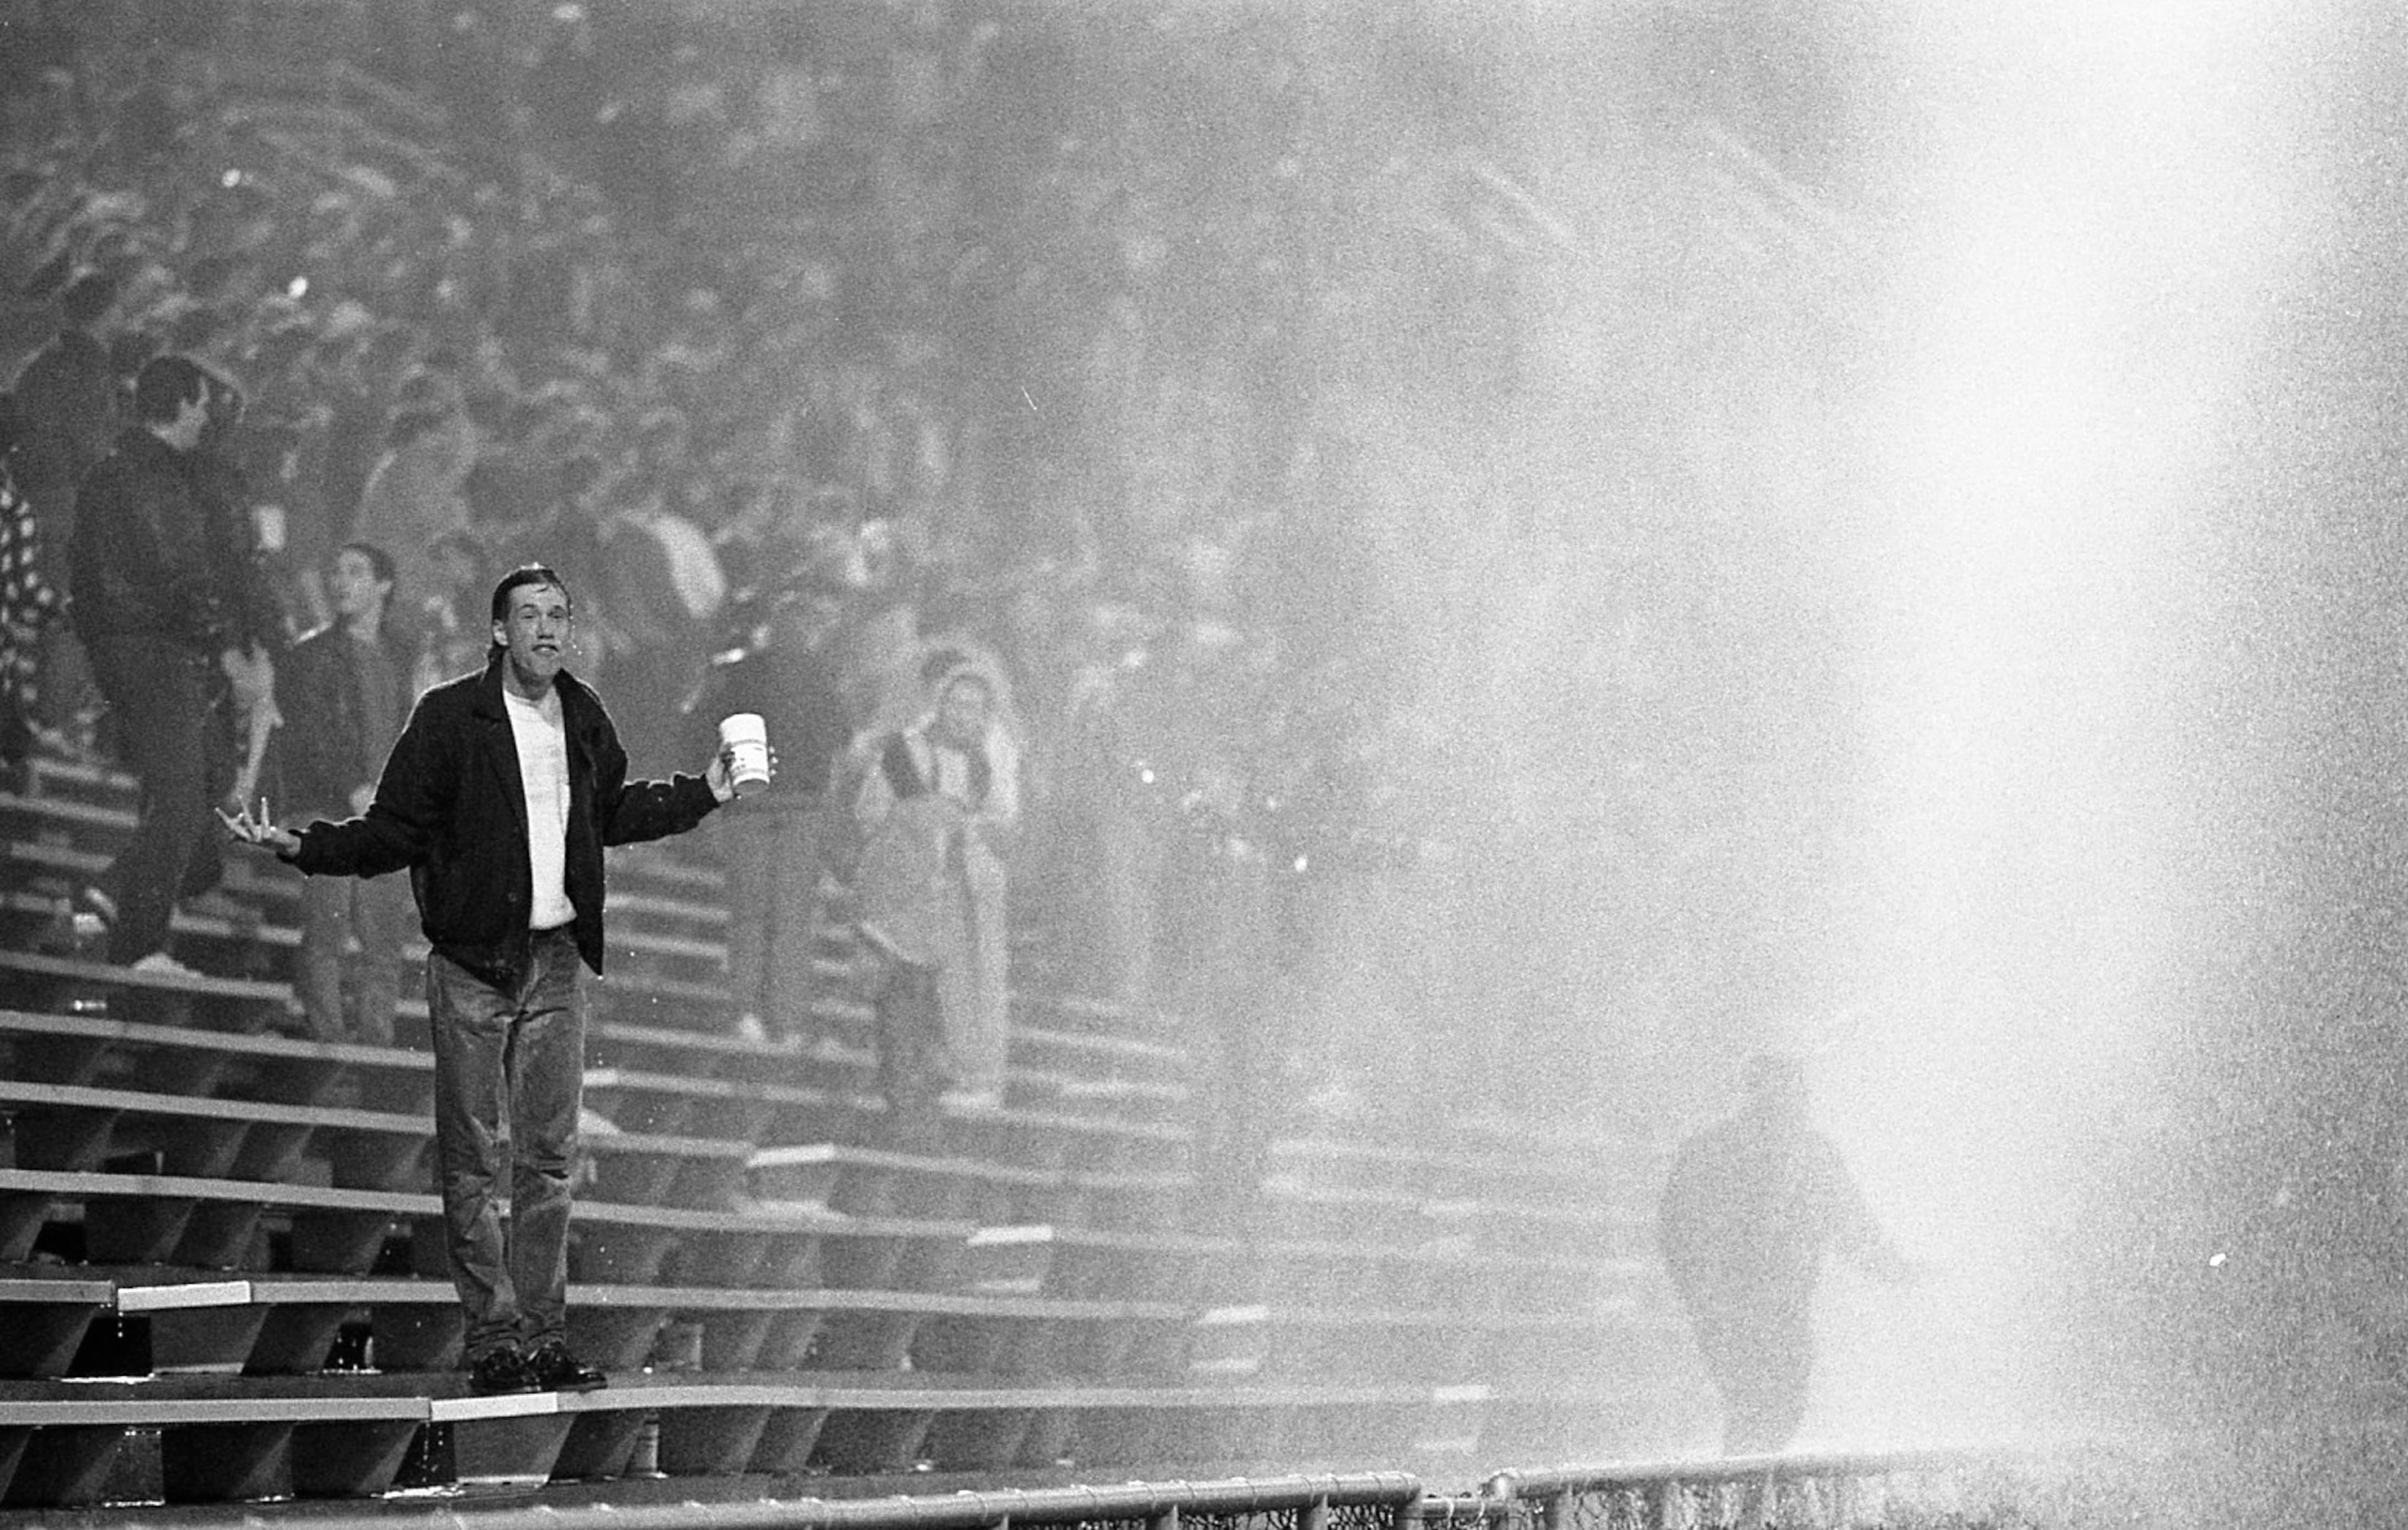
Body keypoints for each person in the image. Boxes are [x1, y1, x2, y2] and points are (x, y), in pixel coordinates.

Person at [220, 564, 749, 1396]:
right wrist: (305, 846)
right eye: (529, 615)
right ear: (498, 631)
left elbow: (610, 812)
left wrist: (704, 793)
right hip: (472, 964)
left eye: (559, 616)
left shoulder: (583, 712)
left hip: (556, 963)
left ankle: (540, 1339)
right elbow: (393, 828)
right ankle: (493, 1337)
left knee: (548, 1165)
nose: (546, 628)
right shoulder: (448, 717)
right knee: (474, 1163)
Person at [69, 354, 252, 975]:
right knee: (182, 799)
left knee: (194, 791)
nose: (207, 417)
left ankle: (129, 916)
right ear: (177, 407)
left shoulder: (118, 473)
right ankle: (131, 926)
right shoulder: (156, 480)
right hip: (157, 648)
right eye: (200, 404)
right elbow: (183, 573)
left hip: (136, 647)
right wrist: (222, 643)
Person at [1656, 1051, 1922, 1455]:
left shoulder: (1815, 1157)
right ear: (1752, 1095)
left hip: (1786, 1310)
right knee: (1754, 1406)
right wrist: (1700, 1294)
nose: (1784, 1104)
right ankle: (1744, 1499)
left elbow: (1853, 1229)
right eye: (1774, 1093)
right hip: (1729, 1308)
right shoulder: (1710, 1153)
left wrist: (1903, 1272)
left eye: (1792, 1093)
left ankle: (1746, 1500)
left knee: (1781, 1409)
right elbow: (1676, 1231)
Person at [850, 653, 1020, 1118]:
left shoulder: (985, 767)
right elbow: (871, 814)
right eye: (958, 705)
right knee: (900, 998)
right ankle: (902, 1100)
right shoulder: (905, 752)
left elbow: (999, 829)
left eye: (976, 709)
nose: (965, 717)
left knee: (948, 1000)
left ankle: (936, 1092)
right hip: (903, 895)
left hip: (956, 904)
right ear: (940, 704)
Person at [268, 542, 415, 1045]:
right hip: (328, 809)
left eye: (355, 572)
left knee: (383, 941)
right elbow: (311, 734)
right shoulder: (313, 654)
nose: (340, 581)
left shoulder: (398, 657)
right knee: (326, 931)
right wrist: (354, 788)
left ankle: (377, 1045)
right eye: (335, 570)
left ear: (383, 586)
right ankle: (326, 1040)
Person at [709, 584, 853, 1046]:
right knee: (790, 919)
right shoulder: (821, 676)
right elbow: (840, 736)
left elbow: (705, 729)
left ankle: (748, 1012)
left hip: (751, 803)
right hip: (799, 806)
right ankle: (785, 1019)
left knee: (751, 914)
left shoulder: (740, 674)